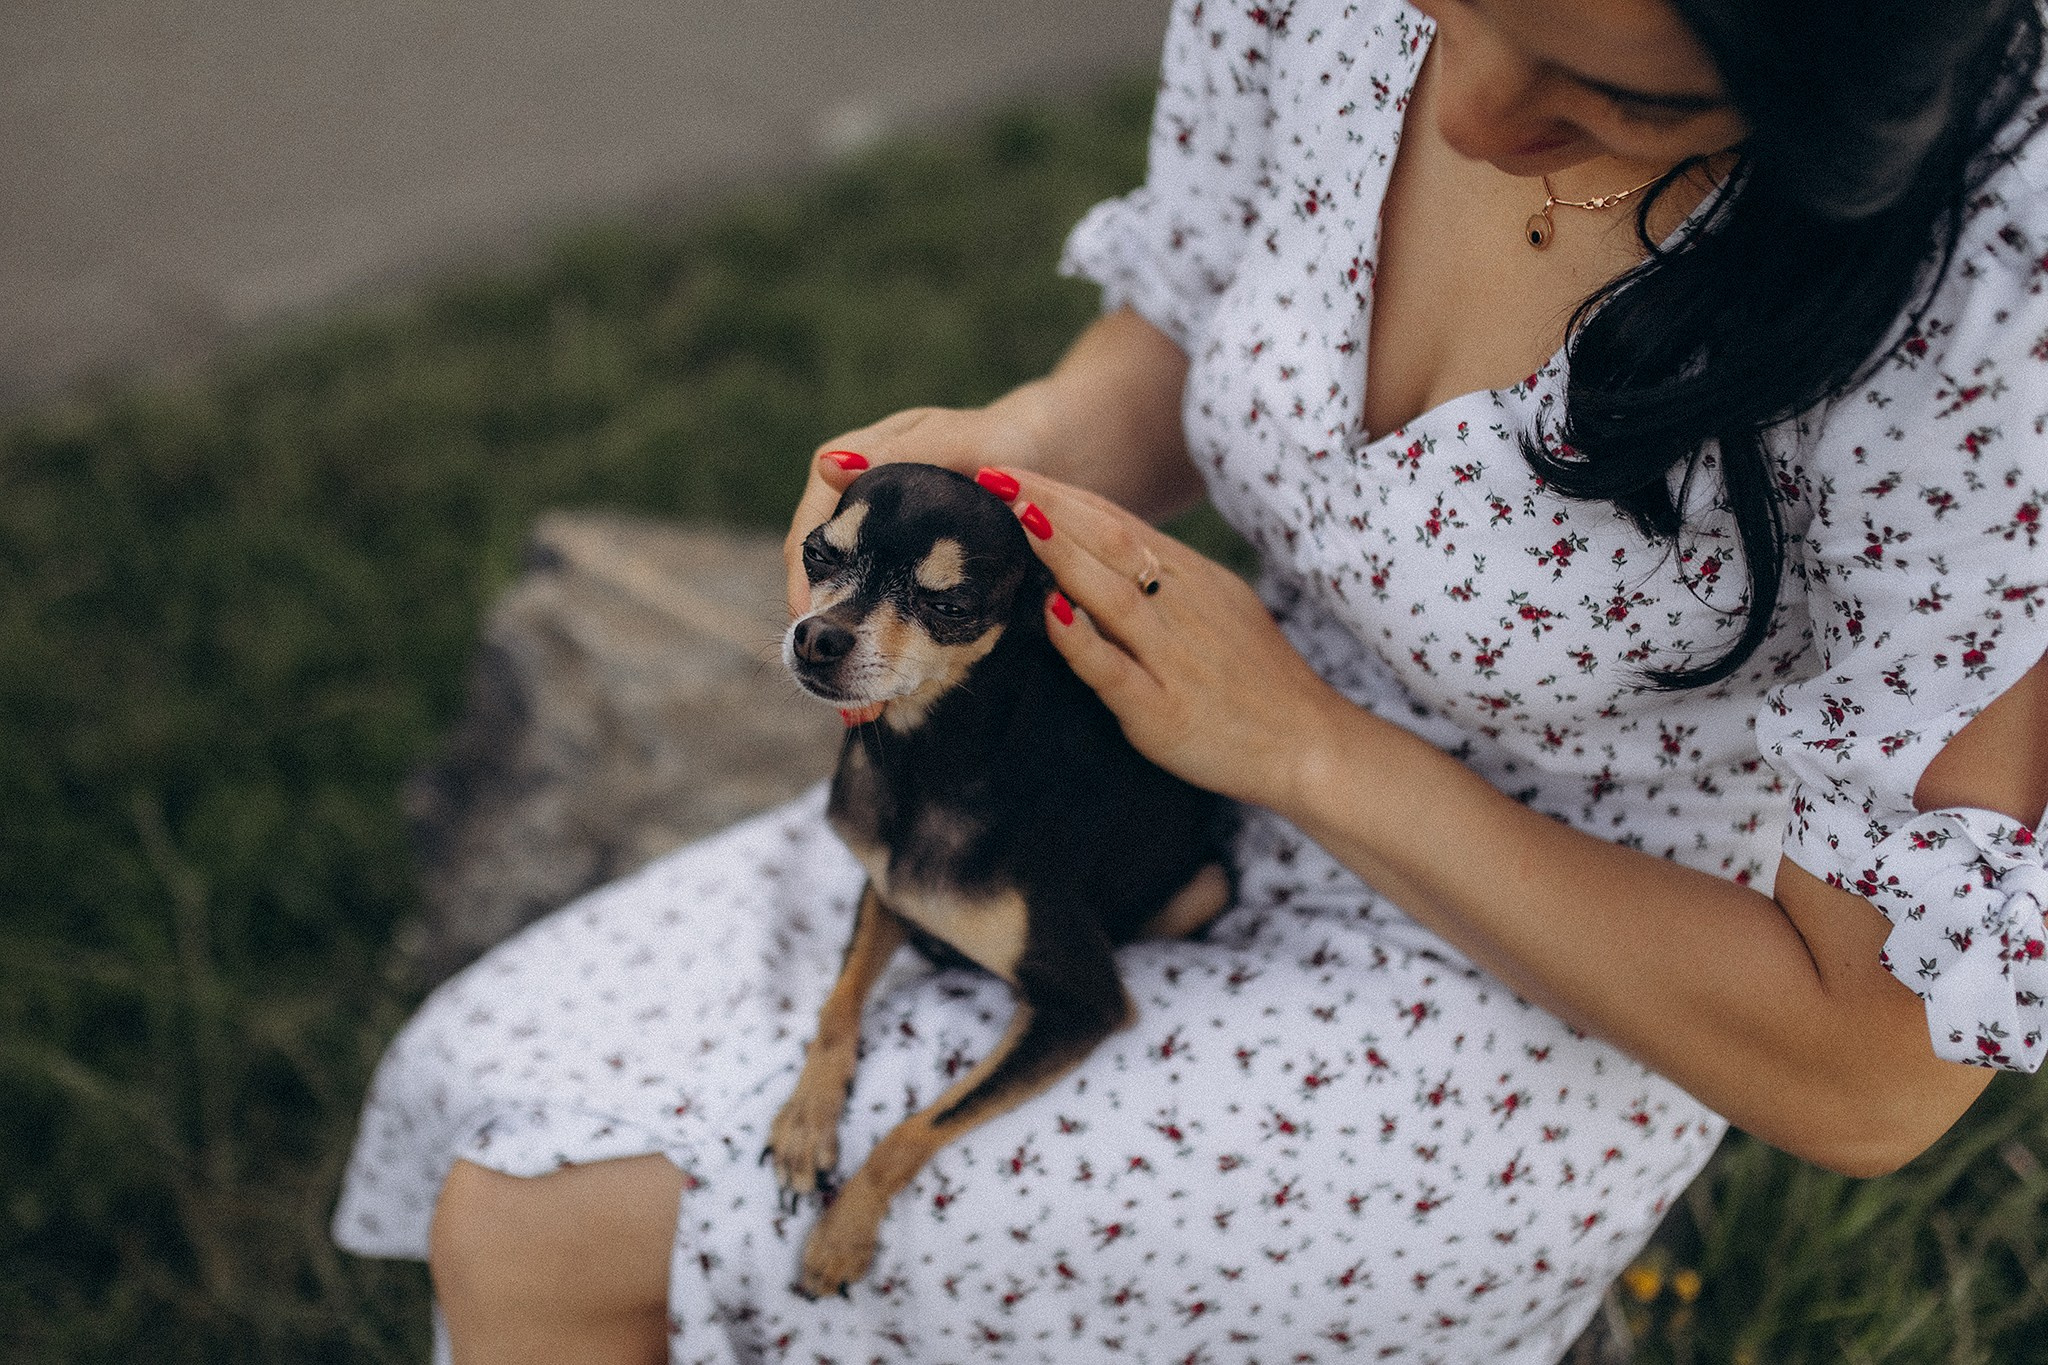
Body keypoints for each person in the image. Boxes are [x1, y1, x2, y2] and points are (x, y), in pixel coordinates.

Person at [334, 0, 2048, 1360]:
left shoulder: (1998, 297)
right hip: (1140, 763)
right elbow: (1185, 327)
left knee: (563, 1235)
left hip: (1539, 995)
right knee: (505, 1111)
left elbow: (1868, 1072)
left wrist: (1306, 747)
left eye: (1618, 99)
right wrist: (1009, 461)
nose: (1464, 114)